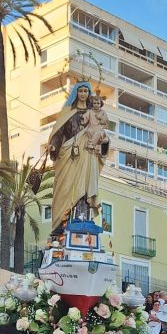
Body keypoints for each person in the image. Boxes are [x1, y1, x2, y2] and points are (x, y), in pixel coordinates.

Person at [47, 82, 110, 233]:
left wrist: (104, 141)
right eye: (80, 91)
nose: (83, 94)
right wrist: (54, 146)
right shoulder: (68, 112)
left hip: (87, 155)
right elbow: (59, 133)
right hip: (69, 155)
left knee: (85, 188)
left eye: (85, 91)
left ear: (89, 94)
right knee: (65, 188)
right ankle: (61, 223)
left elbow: (101, 134)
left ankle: (82, 219)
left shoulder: (95, 113)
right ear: (76, 93)